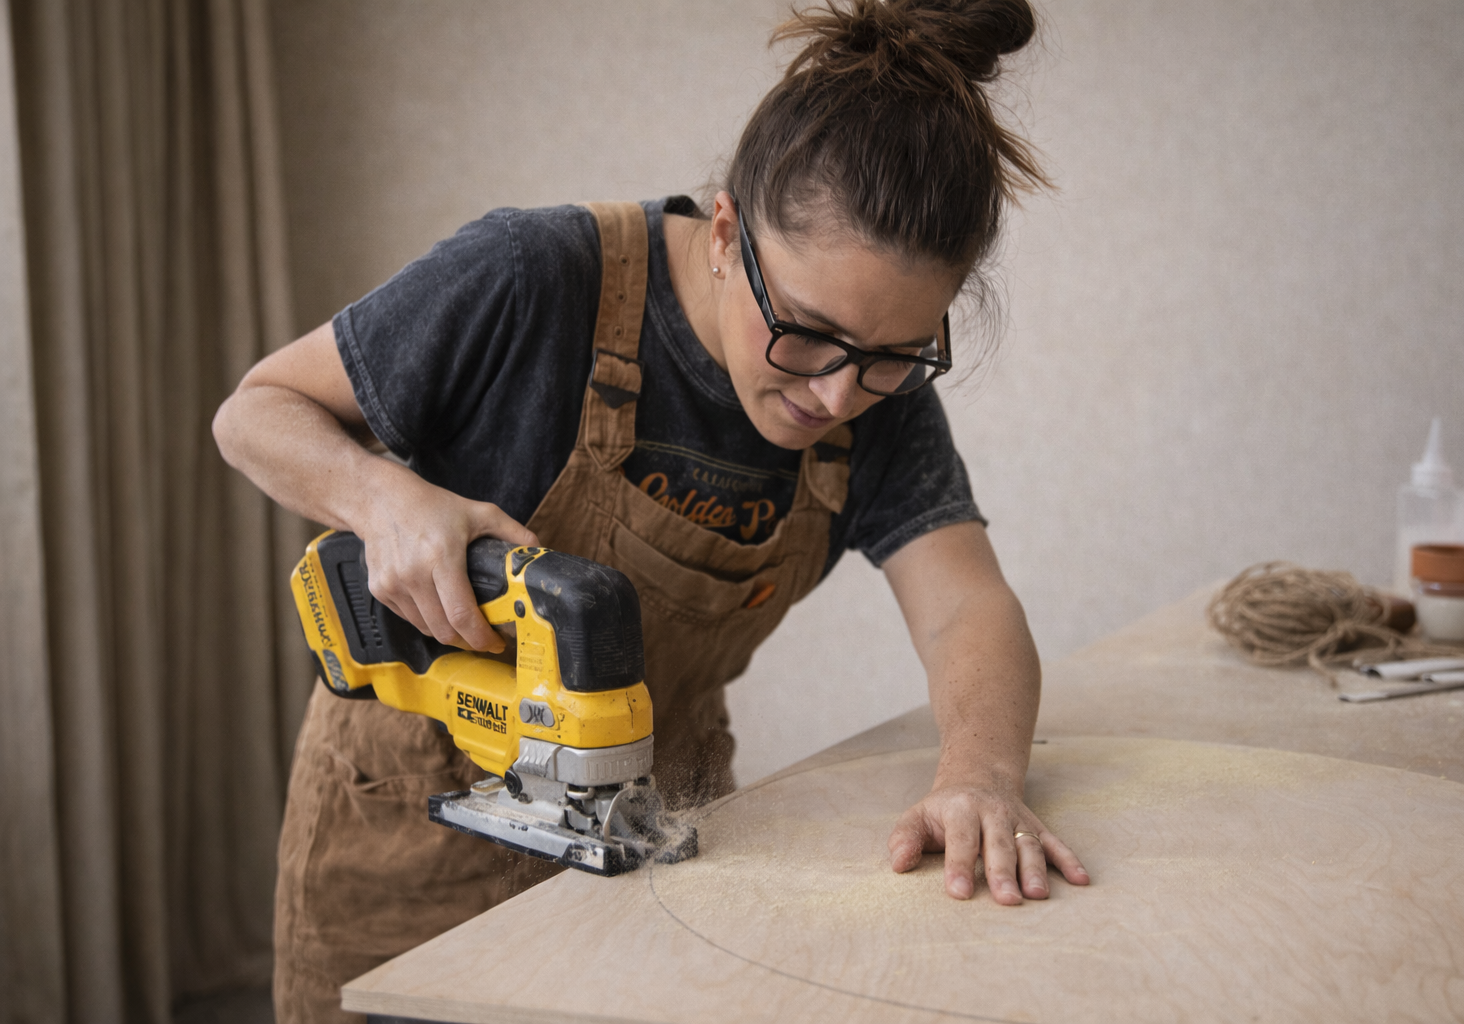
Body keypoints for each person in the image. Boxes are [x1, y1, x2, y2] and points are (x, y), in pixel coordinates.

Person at [214, 0, 1089, 1019]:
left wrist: (979, 773)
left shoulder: (872, 394)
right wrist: (385, 497)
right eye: (808, 334)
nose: (838, 394)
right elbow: (255, 413)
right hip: (409, 833)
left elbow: (965, 609)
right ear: (725, 232)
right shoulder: (532, 276)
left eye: (896, 355)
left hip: (654, 840)